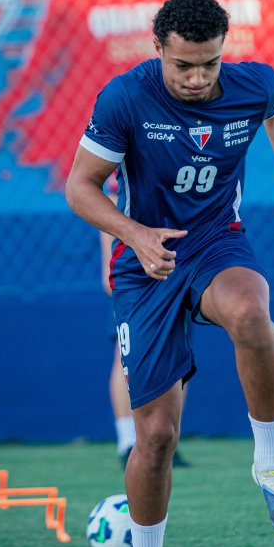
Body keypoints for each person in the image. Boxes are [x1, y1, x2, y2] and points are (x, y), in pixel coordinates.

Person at [66, 0, 274, 547]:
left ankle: (269, 460)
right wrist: (135, 234)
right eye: (183, 65)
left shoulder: (251, 85)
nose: (198, 78)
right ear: (158, 49)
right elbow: (80, 187)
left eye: (209, 63)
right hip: (145, 264)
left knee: (252, 314)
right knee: (156, 438)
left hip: (215, 242)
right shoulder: (125, 98)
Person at [100, 189, 190, 470]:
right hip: (134, 280)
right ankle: (128, 440)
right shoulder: (122, 190)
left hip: (174, 274)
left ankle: (167, 438)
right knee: (126, 356)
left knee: (178, 357)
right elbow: (108, 203)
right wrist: (113, 267)